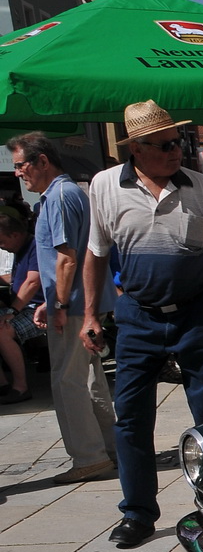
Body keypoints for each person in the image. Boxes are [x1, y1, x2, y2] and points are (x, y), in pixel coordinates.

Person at [82, 101, 203, 549]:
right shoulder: (103, 186)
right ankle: (137, 513)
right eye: (164, 145)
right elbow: (96, 254)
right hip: (137, 316)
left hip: (198, 314)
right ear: (136, 149)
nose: (176, 151)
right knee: (131, 419)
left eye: (179, 142)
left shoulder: (199, 186)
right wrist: (90, 315)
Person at [9, 132, 118, 484]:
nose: (17, 173)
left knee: (67, 382)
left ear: (42, 161)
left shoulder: (58, 197)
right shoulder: (65, 194)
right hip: (77, 304)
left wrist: (56, 303)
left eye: (20, 165)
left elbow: (66, 259)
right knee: (90, 380)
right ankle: (109, 449)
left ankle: (89, 457)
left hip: (72, 307)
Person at [0, 210, 36, 404]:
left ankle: (20, 387)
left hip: (37, 308)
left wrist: (12, 312)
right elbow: (17, 280)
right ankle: (3, 383)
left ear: (14, 235)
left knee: (2, 331)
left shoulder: (35, 247)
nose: (2, 247)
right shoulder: (20, 249)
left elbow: (32, 282)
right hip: (23, 305)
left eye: (2, 242)